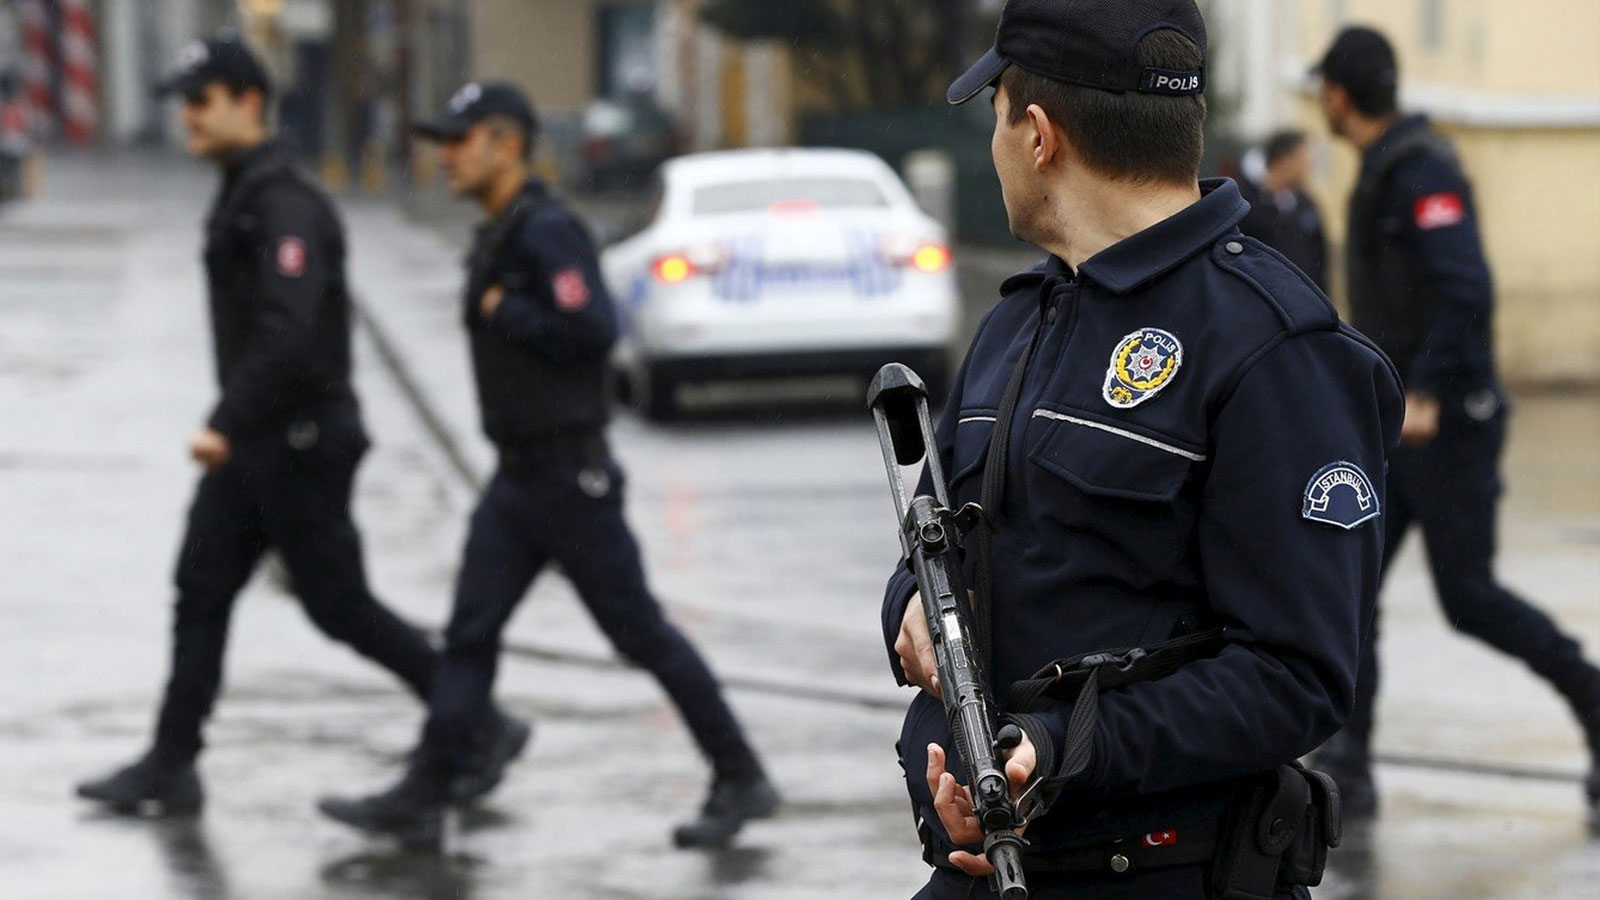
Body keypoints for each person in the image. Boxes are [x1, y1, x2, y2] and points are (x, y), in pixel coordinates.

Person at [883, 2, 1405, 897]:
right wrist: (910, 611)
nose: (996, 144)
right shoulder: (1018, 321)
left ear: (1039, 134)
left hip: (1163, 875)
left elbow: (1298, 676)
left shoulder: (1276, 348)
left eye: (997, 114)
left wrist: (1060, 750)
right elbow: (938, 541)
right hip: (984, 867)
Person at [317, 82, 777, 847]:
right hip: (519, 479)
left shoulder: (546, 231)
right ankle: (429, 791)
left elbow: (595, 328)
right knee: (470, 632)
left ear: (506, 143)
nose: (447, 157)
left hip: (569, 477)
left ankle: (739, 773)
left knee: (639, 634)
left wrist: (511, 311)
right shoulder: (500, 231)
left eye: (460, 140)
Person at [75, 32, 442, 814]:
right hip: (259, 439)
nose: (189, 121)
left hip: (300, 436)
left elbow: (290, 327)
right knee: (200, 587)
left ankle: (470, 718)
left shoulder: (283, 202)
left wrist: (224, 419)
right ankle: (172, 763)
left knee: (338, 605)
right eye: (184, 106)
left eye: (202, 103)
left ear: (250, 102)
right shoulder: (246, 188)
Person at [1313, 25, 1600, 820]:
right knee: (1353, 591)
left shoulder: (1421, 168)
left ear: (1338, 97)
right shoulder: (1389, 164)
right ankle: (1351, 766)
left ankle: (1596, 704)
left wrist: (1432, 389)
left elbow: (1466, 286)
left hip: (1445, 425)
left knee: (1468, 596)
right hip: (1399, 425)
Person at [1236, 129, 1327, 291]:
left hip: (1305, 303)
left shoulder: (1307, 204)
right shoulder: (1245, 205)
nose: (1309, 165)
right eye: (1303, 158)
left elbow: (1319, 256)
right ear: (1282, 161)